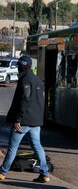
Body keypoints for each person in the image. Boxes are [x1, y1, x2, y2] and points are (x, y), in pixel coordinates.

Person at [0, 55, 50, 183]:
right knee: (37, 147)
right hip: (36, 121)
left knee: (13, 147)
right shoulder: (37, 80)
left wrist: (18, 119)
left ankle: (2, 172)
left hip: (24, 121)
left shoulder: (25, 80)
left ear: (21, 66)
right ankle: (44, 174)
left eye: (18, 66)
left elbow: (25, 101)